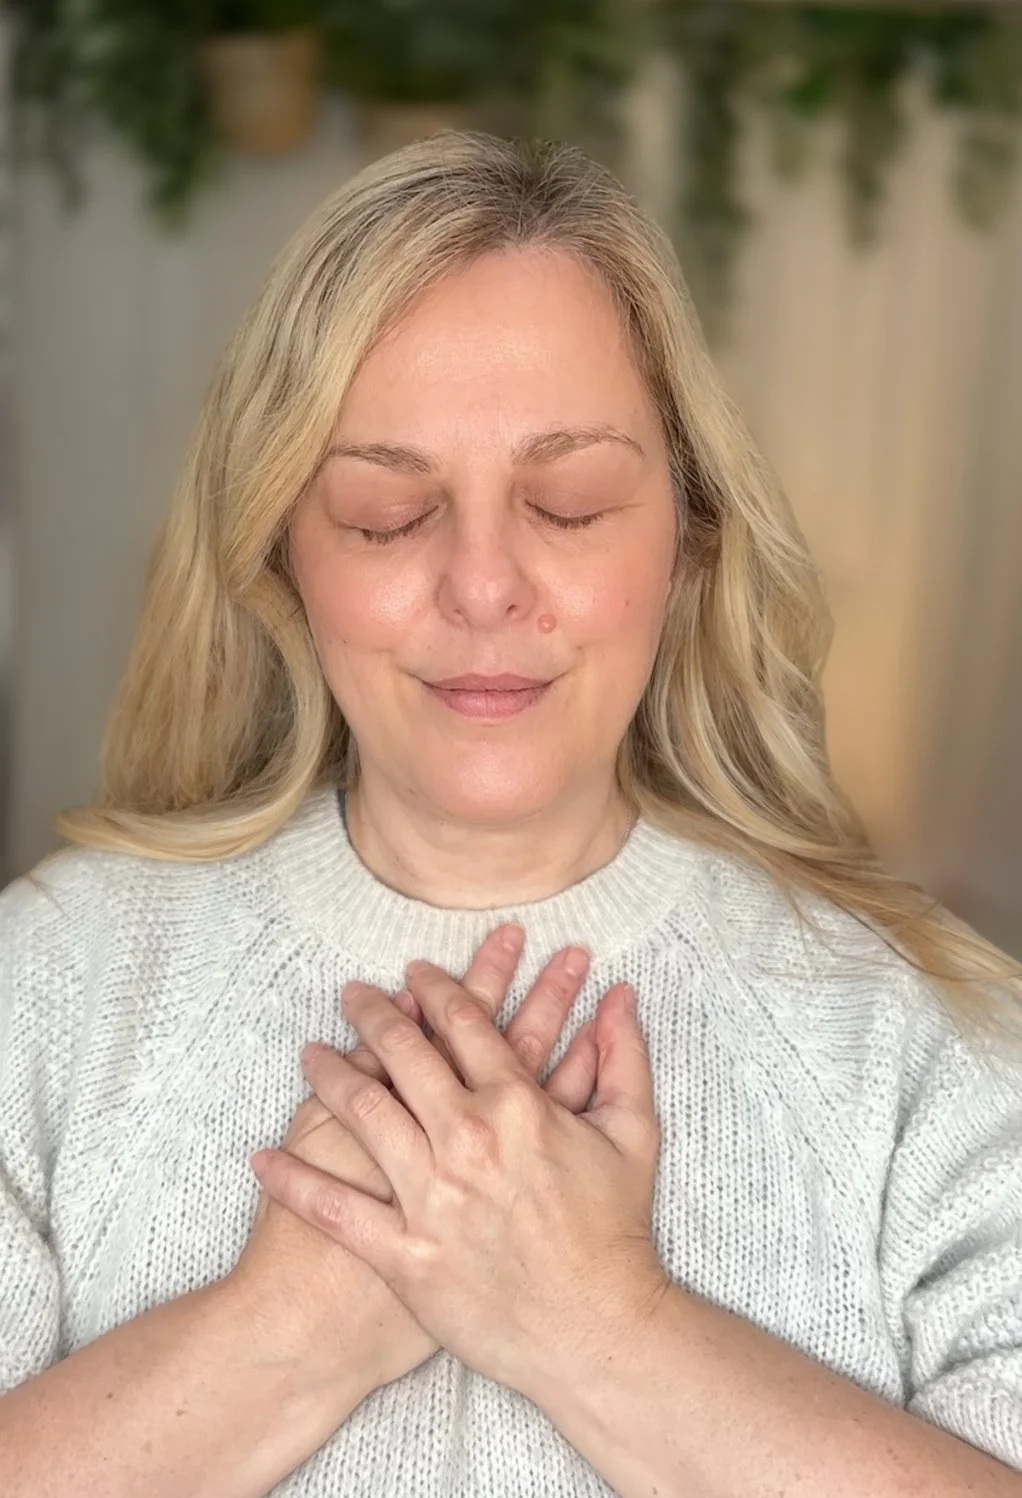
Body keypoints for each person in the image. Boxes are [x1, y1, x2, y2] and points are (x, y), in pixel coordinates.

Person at [1, 130, 1021, 1498]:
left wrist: (601, 1325)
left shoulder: (928, 1046)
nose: (483, 584)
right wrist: (282, 1338)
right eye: (381, 511)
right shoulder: (48, 990)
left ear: (689, 535)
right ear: (280, 552)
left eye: (570, 499)